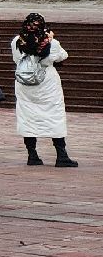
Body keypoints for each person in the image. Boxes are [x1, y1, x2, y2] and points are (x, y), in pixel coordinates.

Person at [12, 12, 77, 168]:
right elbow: (63, 56)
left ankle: (32, 155)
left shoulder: (17, 41)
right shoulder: (52, 43)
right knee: (55, 116)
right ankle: (61, 155)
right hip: (47, 83)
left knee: (27, 117)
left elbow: (16, 59)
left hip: (25, 83)